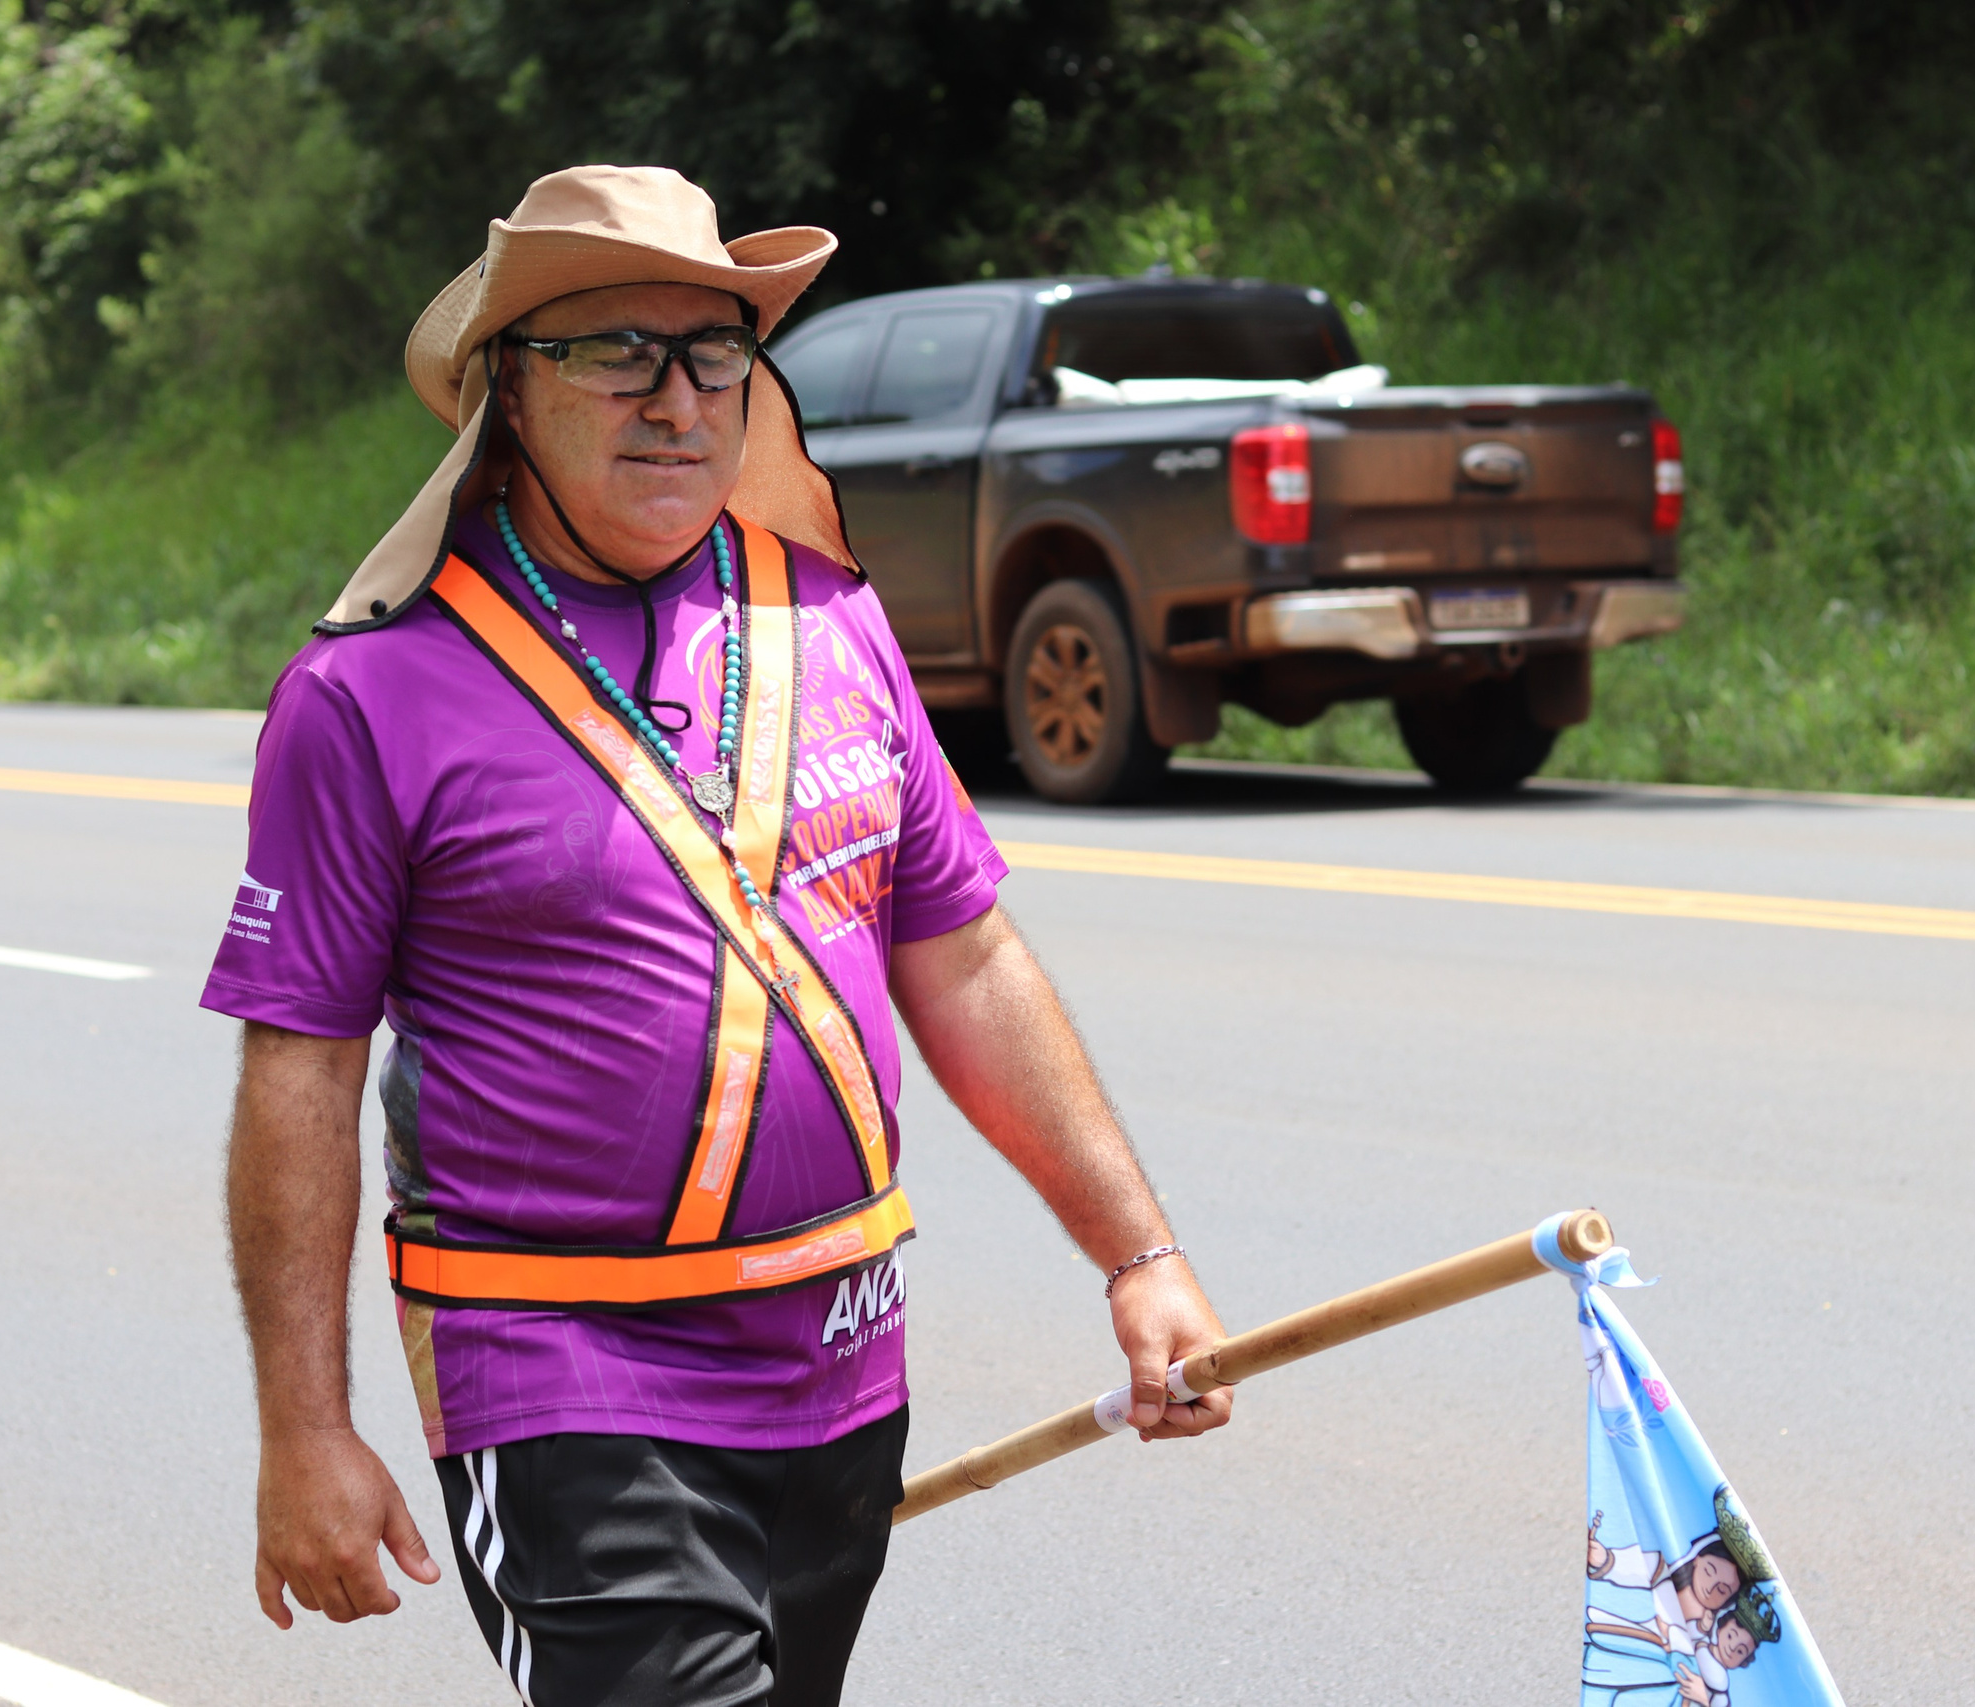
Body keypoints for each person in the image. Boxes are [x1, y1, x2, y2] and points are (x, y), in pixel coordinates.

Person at [206, 164, 1232, 1707]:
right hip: (565, 1381)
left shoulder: (829, 617)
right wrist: (305, 1428)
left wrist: (1136, 1254)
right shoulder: (369, 698)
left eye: (714, 354)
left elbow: (964, 957)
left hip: (839, 1366)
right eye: (615, 352)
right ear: (506, 394)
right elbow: (300, 1067)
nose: (676, 400)